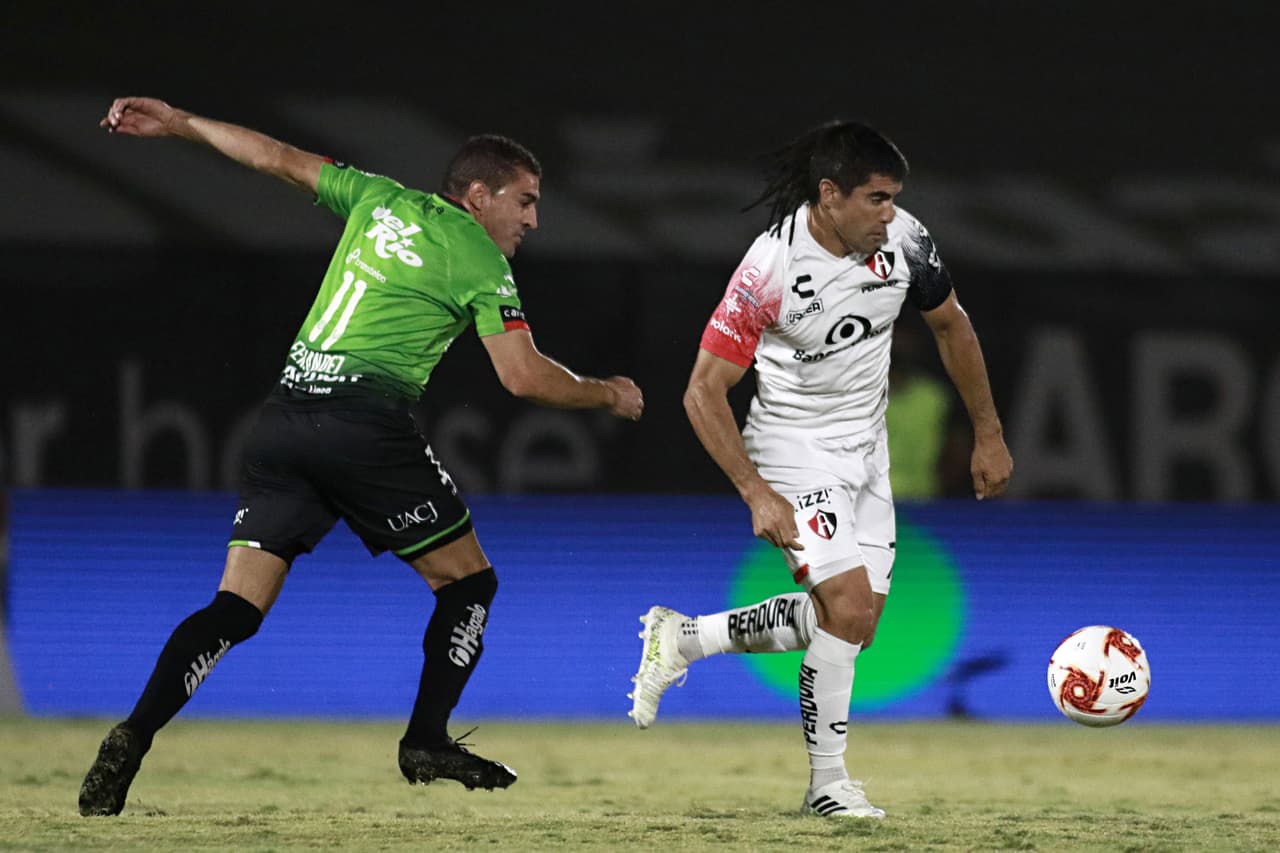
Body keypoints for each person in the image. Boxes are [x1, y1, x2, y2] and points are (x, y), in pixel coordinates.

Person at [80, 97, 644, 817]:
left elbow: (276, 156)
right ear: (478, 195)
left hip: (282, 418)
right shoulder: (476, 254)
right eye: (525, 201)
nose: (532, 219)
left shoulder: (376, 197)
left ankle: (132, 736)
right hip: (362, 425)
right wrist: (606, 393)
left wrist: (183, 124)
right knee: (469, 585)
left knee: (233, 607)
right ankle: (426, 739)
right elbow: (523, 376)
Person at [627, 120, 1011, 819]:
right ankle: (827, 784)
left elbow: (952, 325)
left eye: (895, 197)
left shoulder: (907, 241)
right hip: (791, 448)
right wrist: (756, 489)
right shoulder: (769, 268)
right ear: (829, 195)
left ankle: (685, 637)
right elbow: (702, 391)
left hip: (867, 453)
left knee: (852, 624)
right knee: (851, 609)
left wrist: (988, 431)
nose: (890, 213)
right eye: (876, 198)